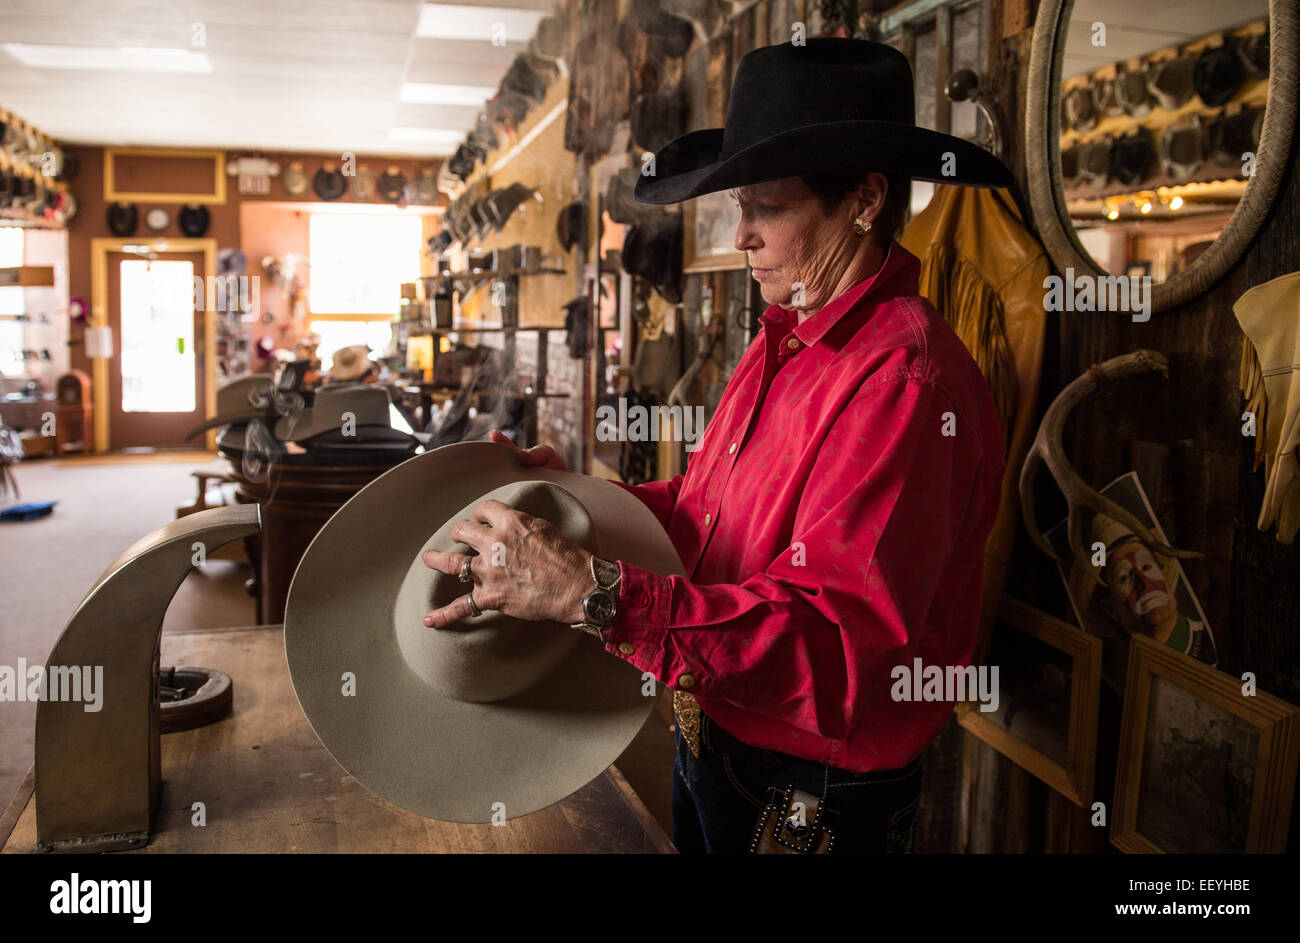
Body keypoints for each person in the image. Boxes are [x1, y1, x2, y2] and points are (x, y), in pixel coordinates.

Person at [420, 38, 1012, 853]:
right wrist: (581, 501)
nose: (741, 237)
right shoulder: (784, 339)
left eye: (766, 207)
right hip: (714, 736)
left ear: (866, 199)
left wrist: (593, 592)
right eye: (739, 209)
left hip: (815, 792)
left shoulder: (903, 384)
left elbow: (833, 650)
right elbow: (705, 517)